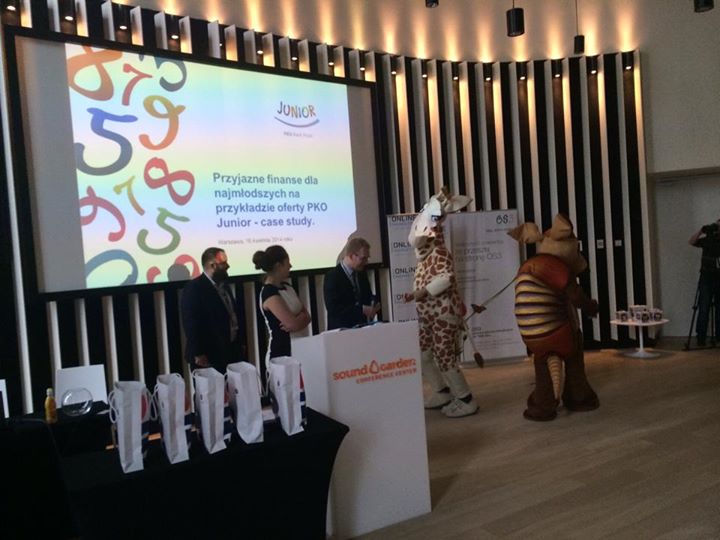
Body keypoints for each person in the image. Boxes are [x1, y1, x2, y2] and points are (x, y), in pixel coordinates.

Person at [180, 247, 244, 373]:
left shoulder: (224, 285)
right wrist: (198, 352)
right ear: (212, 265)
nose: (228, 266)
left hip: (230, 350)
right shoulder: (194, 288)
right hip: (208, 355)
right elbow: (190, 323)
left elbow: (232, 314)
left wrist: (240, 342)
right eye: (223, 263)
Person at [252, 245, 311, 361]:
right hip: (282, 353)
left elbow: (308, 317)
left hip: (300, 347)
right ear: (278, 266)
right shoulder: (268, 292)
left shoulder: (288, 287)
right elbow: (293, 324)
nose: (290, 266)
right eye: (287, 263)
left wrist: (299, 319)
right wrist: (301, 317)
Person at [324, 237, 380, 330]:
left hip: (361, 329)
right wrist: (362, 309)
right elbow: (333, 309)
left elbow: (367, 296)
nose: (366, 262)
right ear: (351, 256)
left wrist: (374, 302)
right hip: (341, 331)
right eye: (363, 258)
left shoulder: (361, 273)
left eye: (367, 258)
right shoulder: (332, 276)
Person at [689, 217, 720, 347]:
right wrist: (702, 230)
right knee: (704, 307)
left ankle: (719, 336)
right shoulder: (708, 239)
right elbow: (691, 241)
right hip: (706, 277)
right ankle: (701, 337)